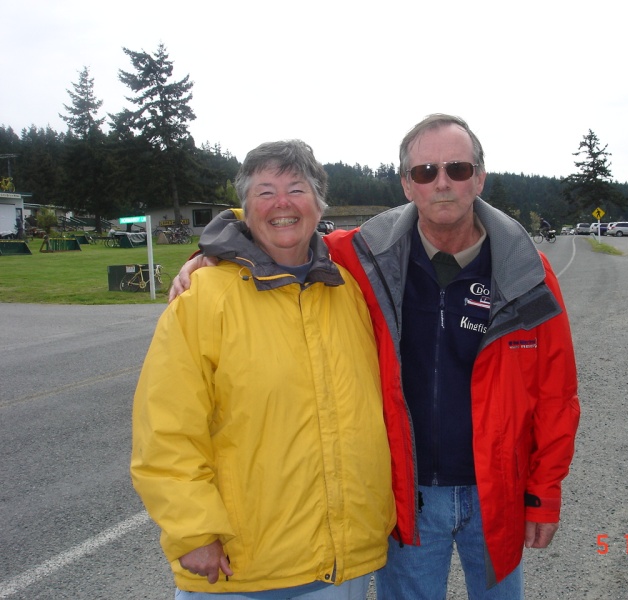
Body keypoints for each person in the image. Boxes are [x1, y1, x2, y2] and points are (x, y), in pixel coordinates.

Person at [172, 114, 580, 599]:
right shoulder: (364, 257)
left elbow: (557, 397)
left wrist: (543, 494)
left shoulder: (527, 274)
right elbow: (284, 225)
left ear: (480, 177)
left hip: (499, 495)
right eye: (426, 172)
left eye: (458, 169)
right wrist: (216, 249)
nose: (443, 182)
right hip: (407, 500)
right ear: (407, 184)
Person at [131, 140, 396, 599]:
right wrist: (193, 530)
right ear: (244, 209)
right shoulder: (203, 299)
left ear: (319, 204)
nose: (282, 204)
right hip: (244, 570)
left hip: (343, 562)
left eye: (297, 189)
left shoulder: (349, 289)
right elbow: (165, 430)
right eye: (265, 192)